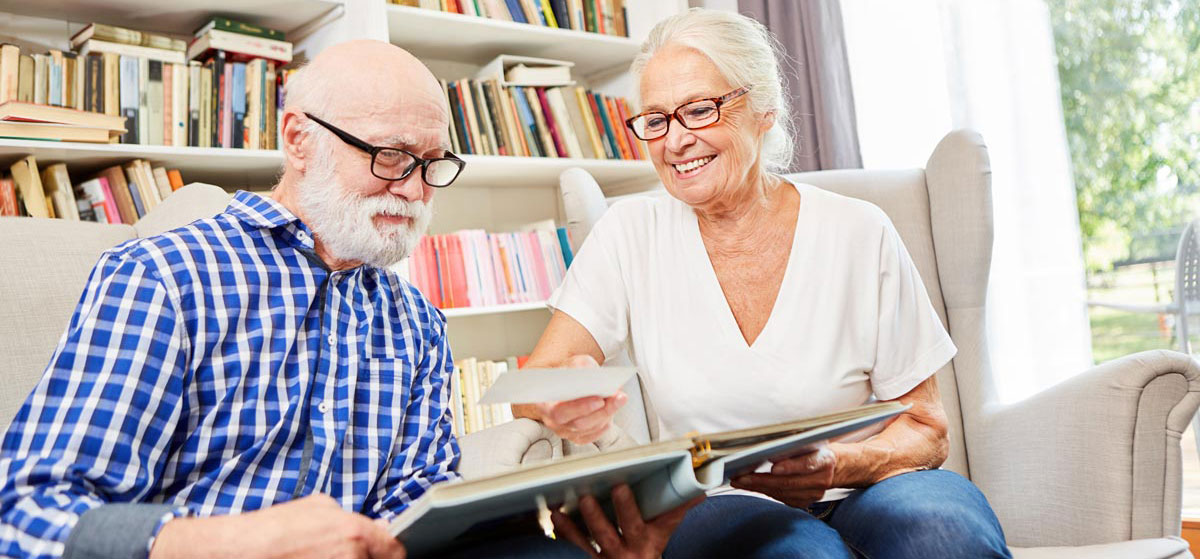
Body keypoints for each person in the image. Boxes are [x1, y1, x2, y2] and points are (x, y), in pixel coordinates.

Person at [0, 40, 687, 559]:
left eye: (432, 165)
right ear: (298, 139)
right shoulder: (163, 278)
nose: (416, 192)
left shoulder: (415, 321)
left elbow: (419, 498)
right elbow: (26, 512)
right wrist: (230, 540)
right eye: (390, 157)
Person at [516, 8, 1013, 559]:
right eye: (655, 120)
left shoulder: (858, 230)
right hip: (724, 499)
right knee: (797, 556)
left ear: (763, 110)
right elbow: (532, 386)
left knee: (943, 536)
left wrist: (838, 465)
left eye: (699, 111)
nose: (675, 141)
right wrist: (561, 396)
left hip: (874, 480)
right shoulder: (628, 234)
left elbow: (928, 428)